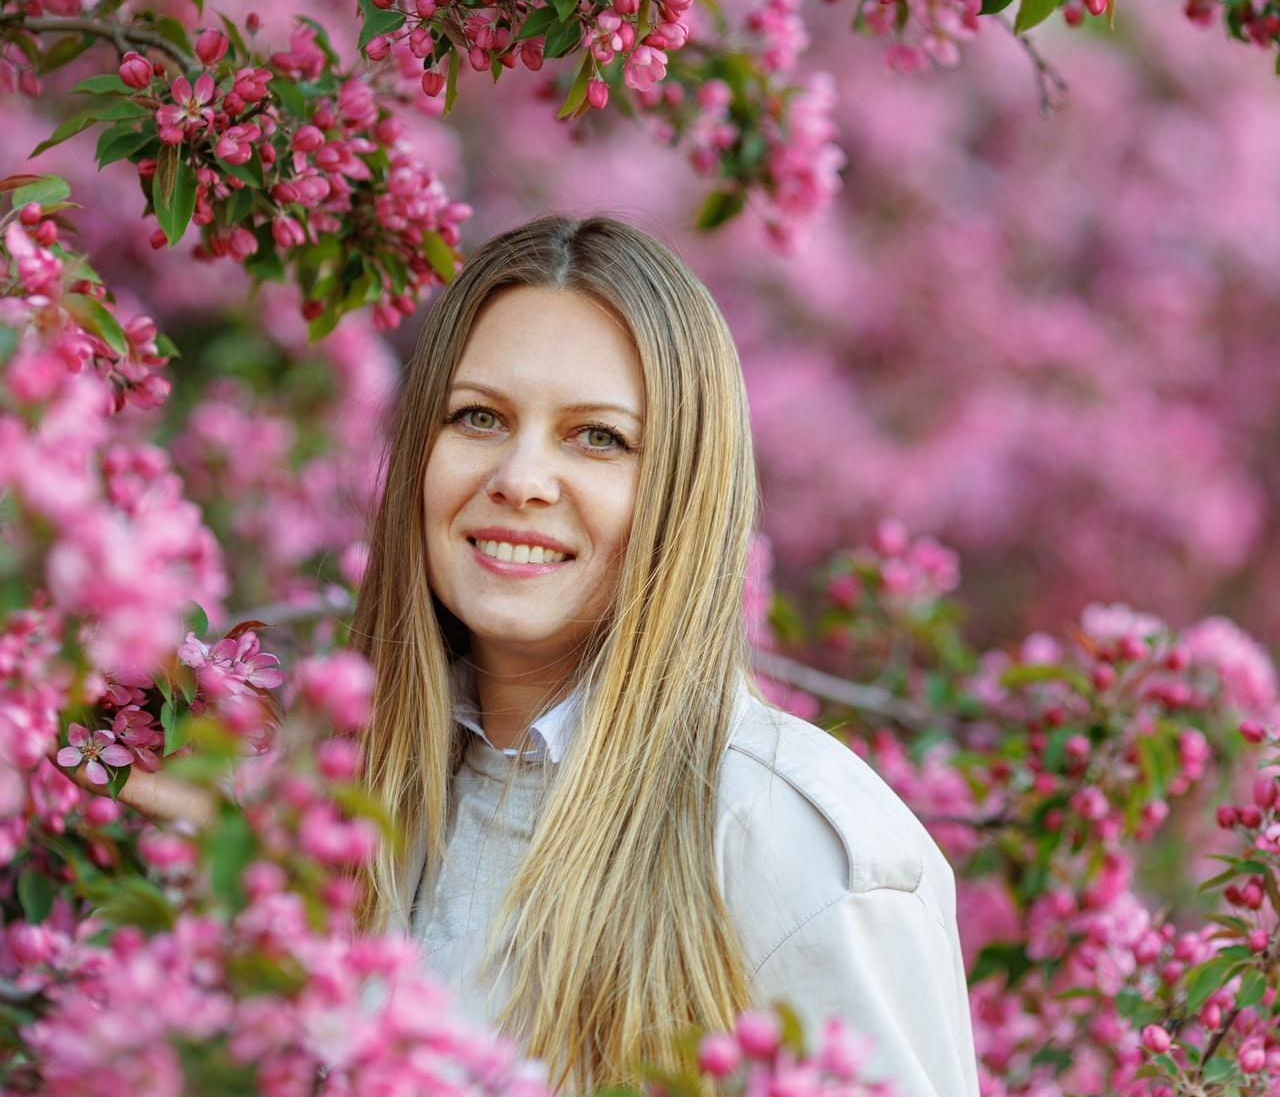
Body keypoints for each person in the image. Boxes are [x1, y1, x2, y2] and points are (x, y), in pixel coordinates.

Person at [349, 215, 980, 1096]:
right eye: (479, 417)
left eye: (597, 436)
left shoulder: (789, 850)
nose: (521, 477)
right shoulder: (342, 802)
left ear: (682, 491)